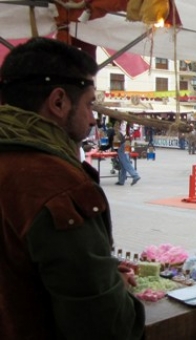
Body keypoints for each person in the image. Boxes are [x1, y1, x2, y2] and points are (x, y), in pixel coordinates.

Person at [0, 37, 144, 339]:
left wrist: (100, 276)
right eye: (90, 104)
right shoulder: (58, 185)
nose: (93, 118)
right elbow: (103, 325)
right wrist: (111, 289)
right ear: (58, 101)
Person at [114, 120, 141, 186]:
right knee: (125, 161)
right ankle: (121, 180)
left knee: (125, 162)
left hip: (123, 145)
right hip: (128, 143)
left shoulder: (117, 131)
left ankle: (135, 175)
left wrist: (115, 149)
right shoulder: (126, 125)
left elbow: (116, 144)